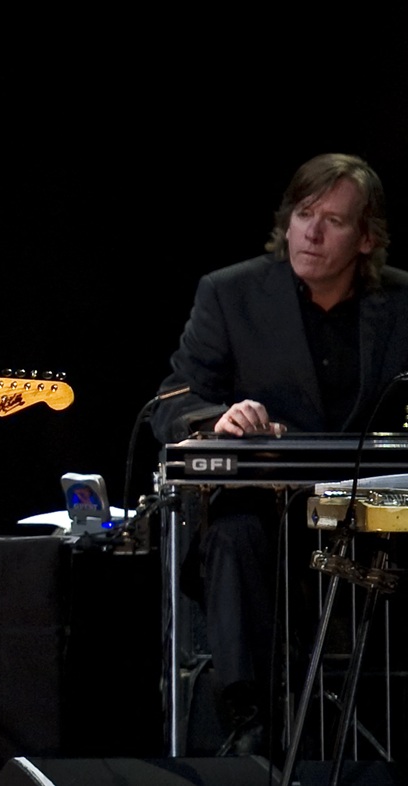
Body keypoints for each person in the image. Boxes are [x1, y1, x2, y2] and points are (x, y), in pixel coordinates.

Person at [150, 153, 408, 754]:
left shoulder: (401, 303)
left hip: (376, 508)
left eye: (334, 221)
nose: (311, 232)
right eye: (304, 213)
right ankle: (250, 724)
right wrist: (219, 418)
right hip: (274, 512)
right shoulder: (229, 293)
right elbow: (170, 402)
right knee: (234, 534)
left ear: (367, 238)